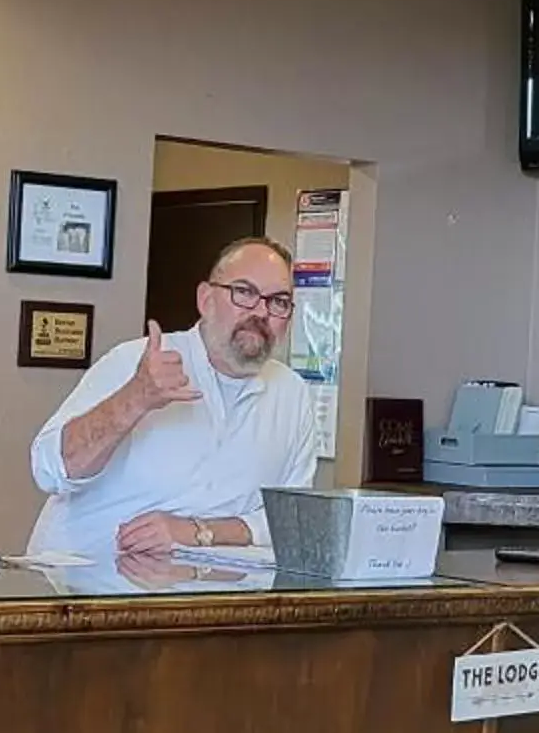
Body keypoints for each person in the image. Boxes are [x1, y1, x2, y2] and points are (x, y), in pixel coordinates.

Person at [27, 235, 321, 561]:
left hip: (204, 599)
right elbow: (49, 469)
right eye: (244, 293)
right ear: (205, 299)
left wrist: (198, 531)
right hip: (82, 588)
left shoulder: (291, 395)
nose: (261, 312)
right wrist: (135, 398)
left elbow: (291, 520)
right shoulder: (135, 361)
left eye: (278, 301)